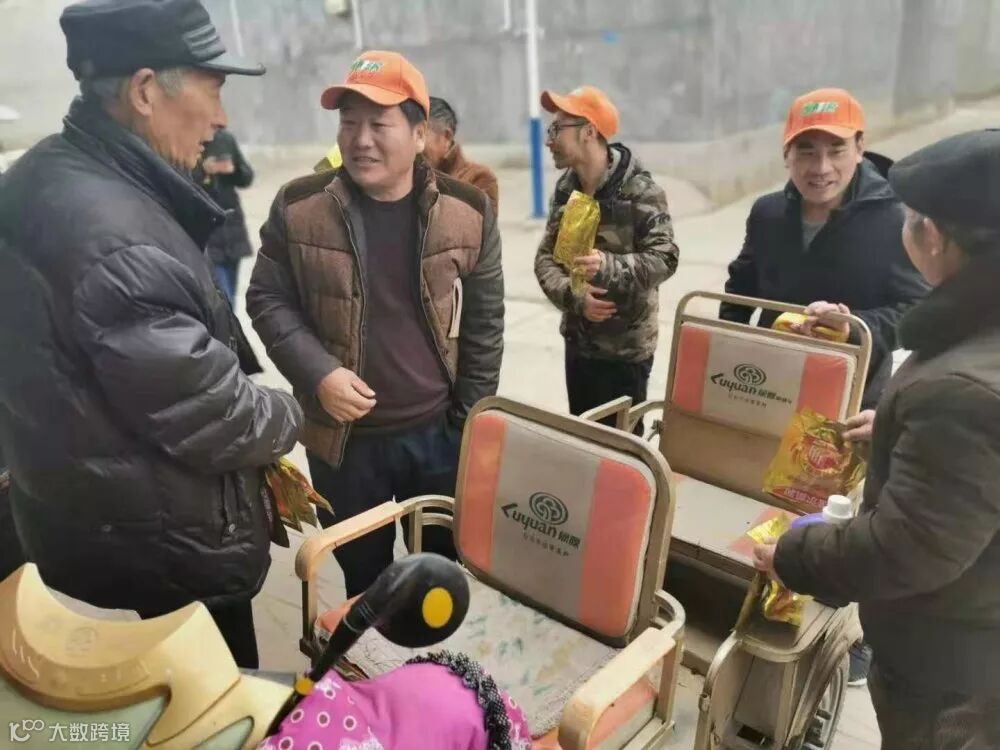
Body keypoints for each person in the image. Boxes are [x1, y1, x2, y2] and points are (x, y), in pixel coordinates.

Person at [0, 0, 302, 669]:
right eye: (213, 89)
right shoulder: (118, 238)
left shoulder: (37, 176)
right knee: (210, 705)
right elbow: (217, 416)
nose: (222, 119)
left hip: (77, 519)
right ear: (143, 91)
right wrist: (291, 411)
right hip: (163, 556)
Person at [753, 129, 1000, 749]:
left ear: (932, 237)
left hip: (951, 671)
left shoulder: (961, 389)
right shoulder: (973, 342)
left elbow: (907, 548)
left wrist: (793, 554)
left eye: (910, 219)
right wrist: (893, 427)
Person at [247, 50, 504, 597]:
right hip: (344, 447)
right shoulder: (298, 207)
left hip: (438, 438)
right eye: (349, 123)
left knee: (440, 579)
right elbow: (267, 297)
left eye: (378, 124)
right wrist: (318, 373)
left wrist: (467, 425)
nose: (360, 140)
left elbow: (485, 327)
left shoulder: (469, 212)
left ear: (420, 134)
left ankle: (432, 655)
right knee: (365, 585)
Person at [720, 88, 928, 409]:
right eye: (806, 151)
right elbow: (740, 289)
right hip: (766, 385)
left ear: (859, 149)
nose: (821, 167)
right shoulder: (767, 213)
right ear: (786, 154)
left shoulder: (895, 219)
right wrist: (728, 351)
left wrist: (853, 327)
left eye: (836, 150)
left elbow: (916, 310)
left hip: (849, 395)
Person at [533, 86, 679, 435]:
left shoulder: (640, 192)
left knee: (621, 449)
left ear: (588, 131)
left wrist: (609, 267)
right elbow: (546, 259)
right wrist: (574, 296)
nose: (549, 141)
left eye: (557, 129)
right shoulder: (567, 190)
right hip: (579, 346)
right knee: (584, 442)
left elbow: (666, 258)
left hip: (625, 353)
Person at [195, 127, 255, 307]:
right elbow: (179, 178)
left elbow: (247, 177)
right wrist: (203, 170)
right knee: (223, 299)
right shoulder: (187, 139)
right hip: (207, 232)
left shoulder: (226, 139)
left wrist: (234, 169)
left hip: (232, 229)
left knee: (231, 298)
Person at [422, 96, 499, 216]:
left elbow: (477, 224)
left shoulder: (479, 177)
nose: (415, 142)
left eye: (421, 133)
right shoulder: (405, 176)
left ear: (446, 137)